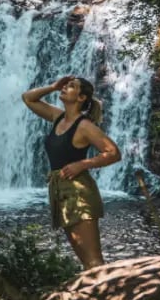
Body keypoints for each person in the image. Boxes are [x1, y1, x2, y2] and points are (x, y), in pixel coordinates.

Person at [21, 75, 121, 270]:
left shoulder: (84, 126)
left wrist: (82, 164)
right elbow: (28, 98)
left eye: (71, 86)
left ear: (82, 98)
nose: (65, 87)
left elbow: (114, 153)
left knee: (93, 260)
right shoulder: (57, 116)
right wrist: (53, 86)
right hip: (61, 191)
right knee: (85, 261)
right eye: (65, 85)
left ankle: (108, 297)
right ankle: (97, 297)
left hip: (79, 192)